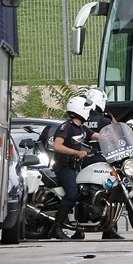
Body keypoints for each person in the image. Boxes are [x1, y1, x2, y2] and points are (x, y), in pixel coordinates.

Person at [50, 94, 99, 240]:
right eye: (88, 110)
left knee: (85, 194)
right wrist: (76, 152)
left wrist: (116, 136)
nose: (89, 113)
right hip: (64, 166)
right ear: (81, 110)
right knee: (72, 195)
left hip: (77, 167)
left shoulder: (82, 128)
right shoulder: (66, 127)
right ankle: (56, 228)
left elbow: (97, 136)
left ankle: (79, 228)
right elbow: (57, 146)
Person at [82, 87, 124, 240]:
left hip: (84, 161)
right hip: (102, 161)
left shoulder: (82, 120)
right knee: (111, 195)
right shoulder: (105, 121)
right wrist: (111, 116)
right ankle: (110, 229)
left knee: (81, 194)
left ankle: (78, 230)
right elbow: (117, 135)